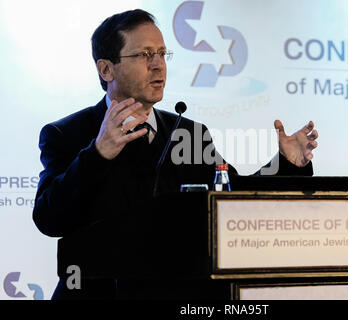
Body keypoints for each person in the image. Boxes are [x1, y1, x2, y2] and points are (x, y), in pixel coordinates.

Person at [33, 9, 318, 300]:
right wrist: (97, 154)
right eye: (144, 55)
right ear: (107, 69)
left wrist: (286, 164)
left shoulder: (189, 132)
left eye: (162, 54)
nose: (158, 66)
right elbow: (49, 219)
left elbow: (233, 200)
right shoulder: (68, 134)